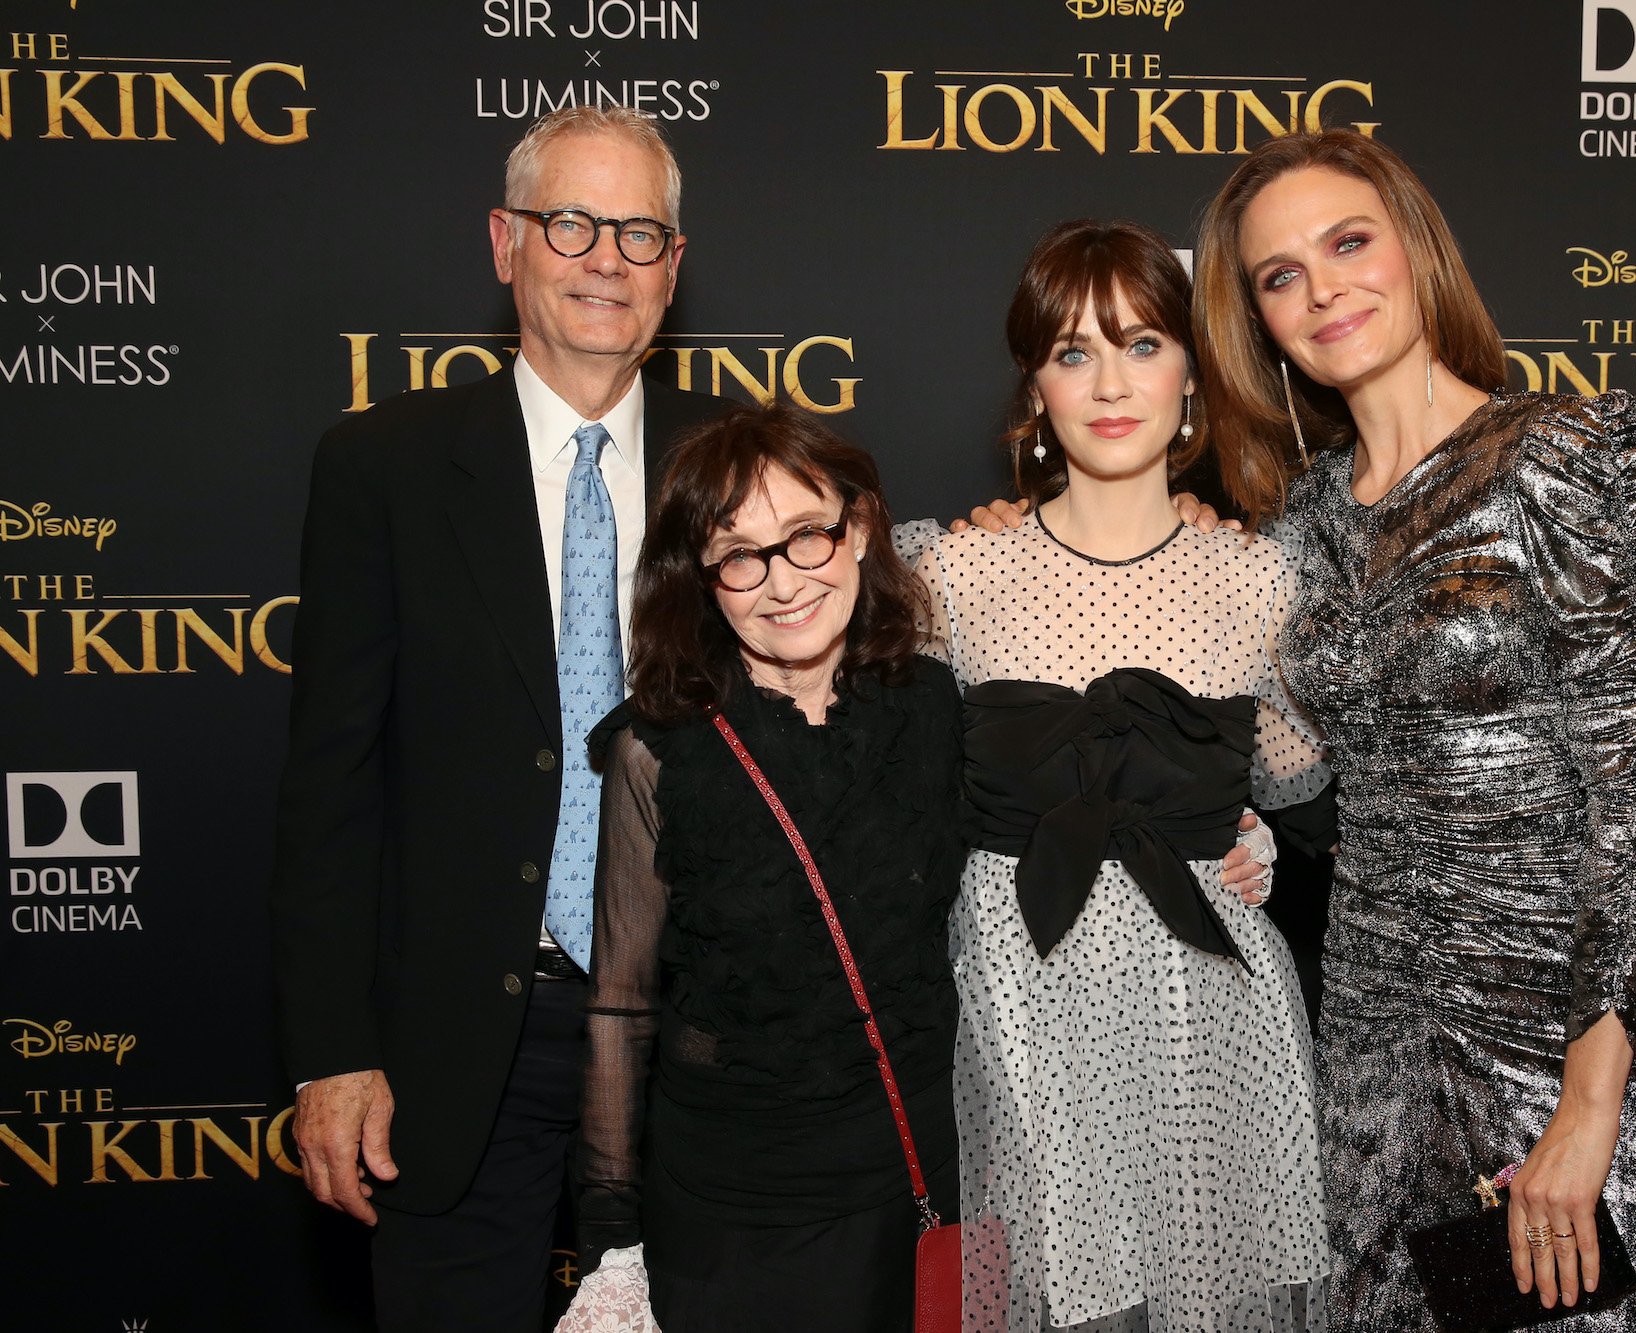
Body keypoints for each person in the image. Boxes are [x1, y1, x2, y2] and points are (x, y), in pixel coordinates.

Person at [1192, 129, 1636, 1329]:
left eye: (1347, 242)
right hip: (1371, 1046)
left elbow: (1628, 805)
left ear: (1415, 247)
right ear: (1258, 319)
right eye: (1279, 275)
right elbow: (1280, 755)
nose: (1323, 290)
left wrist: (1586, 1109)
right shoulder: (1298, 524)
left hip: (1560, 1034)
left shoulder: (1562, 457)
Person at [270, 105, 726, 1329]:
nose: (605, 259)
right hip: (460, 1044)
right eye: (570, 222)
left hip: (703, 1037)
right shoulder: (383, 467)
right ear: (504, 242)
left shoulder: (739, 467)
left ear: (673, 267)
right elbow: (330, 786)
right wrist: (331, 1050)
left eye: (638, 233)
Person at [912, 219, 1337, 1332]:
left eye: (1142, 345)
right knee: (1016, 1296)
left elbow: (1303, 796)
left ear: (1193, 375)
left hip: (1209, 1020)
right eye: (1073, 352)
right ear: (1034, 388)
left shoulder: (1258, 578)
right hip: (1014, 1011)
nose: (1110, 384)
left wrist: (1248, 832)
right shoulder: (952, 572)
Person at [569, 402, 968, 1330]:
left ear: (858, 529)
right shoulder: (657, 750)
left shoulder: (934, 705)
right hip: (734, 1217)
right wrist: (610, 1239)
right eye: (740, 555)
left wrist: (1226, 832)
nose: (782, 582)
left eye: (806, 536)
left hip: (925, 1180)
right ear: (703, 579)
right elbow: (621, 1004)